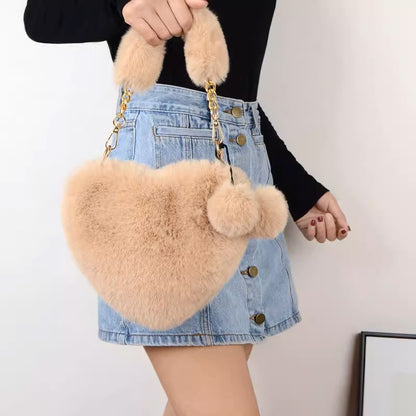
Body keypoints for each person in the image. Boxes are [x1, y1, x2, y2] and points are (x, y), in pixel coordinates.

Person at [23, 1, 351, 415]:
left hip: (240, 180)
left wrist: (299, 190)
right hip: (167, 199)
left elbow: (231, 94)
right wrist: (123, 5)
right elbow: (42, 17)